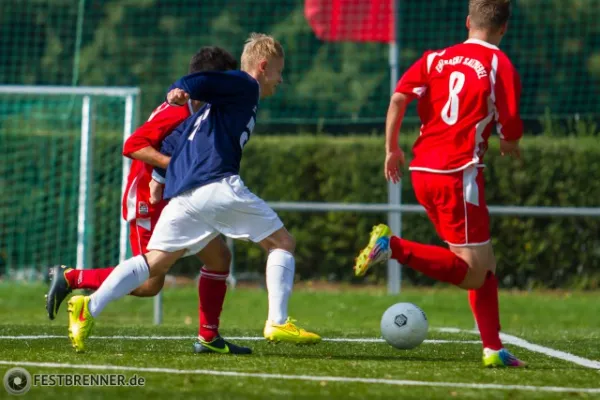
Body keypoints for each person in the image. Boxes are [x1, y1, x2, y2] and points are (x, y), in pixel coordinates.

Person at [65, 33, 321, 353]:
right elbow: (202, 80)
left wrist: (159, 176)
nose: (281, 80)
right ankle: (278, 321)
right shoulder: (245, 84)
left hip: (184, 194)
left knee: (153, 264)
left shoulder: (211, 109)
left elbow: (177, 141)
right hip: (216, 185)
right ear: (264, 66)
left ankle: (89, 306)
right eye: (280, 72)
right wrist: (182, 88)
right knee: (283, 242)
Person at [354, 0, 526, 368]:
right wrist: (510, 139)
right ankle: (393, 247)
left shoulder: (435, 59)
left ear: (468, 22)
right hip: (458, 174)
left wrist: (391, 149)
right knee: (472, 273)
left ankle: (493, 349)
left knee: (486, 265)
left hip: (422, 172)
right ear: (503, 28)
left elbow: (398, 97)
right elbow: (509, 118)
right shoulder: (499, 62)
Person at [46, 46, 240, 353]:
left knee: (219, 258)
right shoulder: (179, 111)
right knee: (151, 282)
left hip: (172, 197)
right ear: (208, 82)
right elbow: (133, 144)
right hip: (147, 200)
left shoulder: (196, 109)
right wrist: (173, 165)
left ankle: (209, 338)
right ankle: (73, 278)